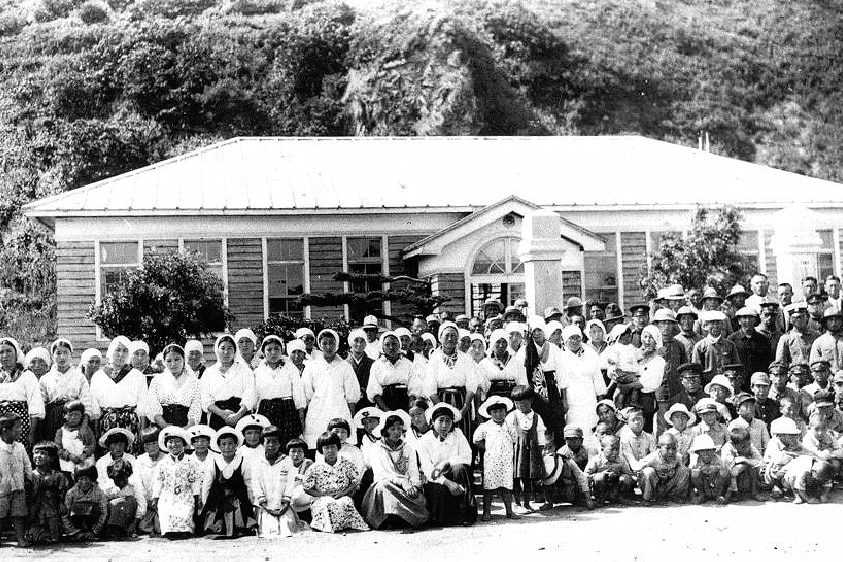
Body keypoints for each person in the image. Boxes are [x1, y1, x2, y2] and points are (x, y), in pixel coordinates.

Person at [362, 410, 428, 529]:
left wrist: (414, 485)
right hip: (387, 485)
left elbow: (413, 470)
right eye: (392, 429)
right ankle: (390, 518)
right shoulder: (376, 449)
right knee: (384, 486)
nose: (397, 432)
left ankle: (405, 518)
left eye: (399, 429)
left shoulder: (408, 448)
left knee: (418, 498)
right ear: (385, 430)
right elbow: (381, 474)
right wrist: (402, 482)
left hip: (407, 486)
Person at [415, 403, 477, 526]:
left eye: (448, 421)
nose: (444, 425)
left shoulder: (457, 434)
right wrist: (448, 483)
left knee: (460, 468)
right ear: (432, 422)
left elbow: (467, 457)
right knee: (439, 490)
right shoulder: (424, 441)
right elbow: (428, 470)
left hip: (455, 474)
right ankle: (443, 517)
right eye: (440, 421)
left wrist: (447, 462)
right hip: (435, 478)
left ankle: (464, 513)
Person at [302, 329, 361, 450]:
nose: (328, 347)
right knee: (318, 443)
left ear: (337, 344)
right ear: (319, 344)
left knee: (340, 444)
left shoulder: (345, 367)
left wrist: (352, 417)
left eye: (331, 343)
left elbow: (352, 395)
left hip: (338, 408)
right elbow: (307, 392)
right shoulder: (312, 366)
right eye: (324, 343)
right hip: (317, 410)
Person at [423, 322, 482, 441]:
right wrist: (442, 408)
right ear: (440, 338)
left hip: (462, 400)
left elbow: (471, 385)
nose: (450, 338)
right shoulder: (434, 358)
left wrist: (465, 408)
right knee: (443, 434)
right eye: (447, 335)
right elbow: (430, 387)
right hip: (441, 400)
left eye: (454, 335)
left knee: (463, 435)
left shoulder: (465, 358)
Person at [90, 336, 148, 454]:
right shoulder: (99, 376)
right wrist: (96, 433)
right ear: (111, 351)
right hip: (107, 425)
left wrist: (142, 433)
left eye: (125, 351)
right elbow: (94, 407)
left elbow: (143, 407)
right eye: (118, 350)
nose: (121, 354)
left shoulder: (137, 376)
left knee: (130, 460)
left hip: (130, 425)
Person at [302, 431, 369, 533]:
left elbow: (355, 482)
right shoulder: (315, 467)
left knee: (345, 502)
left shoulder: (346, 464)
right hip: (321, 498)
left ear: (338, 447)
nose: (330, 451)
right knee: (327, 503)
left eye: (333, 447)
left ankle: (345, 525)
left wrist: (343, 492)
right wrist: (323, 494)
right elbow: (307, 488)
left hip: (342, 495)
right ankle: (328, 526)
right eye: (326, 448)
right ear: (321, 450)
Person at [517, 317, 567, 447]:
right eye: (534, 331)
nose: (537, 333)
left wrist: (564, 399)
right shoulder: (525, 350)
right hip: (534, 391)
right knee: (539, 425)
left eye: (539, 330)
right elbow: (522, 376)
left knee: (556, 424)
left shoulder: (554, 349)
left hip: (552, 390)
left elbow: (562, 375)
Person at [199, 427, 256, 537]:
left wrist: (251, 504)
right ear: (219, 446)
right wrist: (207, 505)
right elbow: (207, 485)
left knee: (242, 524)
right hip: (218, 500)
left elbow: (249, 484)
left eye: (230, 444)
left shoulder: (242, 461)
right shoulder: (214, 462)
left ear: (236, 445)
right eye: (223, 444)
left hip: (238, 499)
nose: (227, 447)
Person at [253, 335, 306, 449]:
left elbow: (298, 394)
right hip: (265, 410)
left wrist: (300, 417)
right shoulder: (258, 371)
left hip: (287, 410)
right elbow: (255, 396)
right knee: (268, 444)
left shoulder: (290, 368)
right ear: (263, 352)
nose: (273, 353)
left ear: (281, 350)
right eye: (269, 349)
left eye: (276, 349)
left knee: (287, 443)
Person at [39, 338, 97, 443]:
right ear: (52, 356)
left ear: (71, 355)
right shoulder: (45, 378)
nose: (62, 357)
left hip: (75, 416)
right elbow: (41, 404)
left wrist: (84, 425)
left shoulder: (79, 377)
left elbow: (87, 403)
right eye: (58, 353)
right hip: (53, 418)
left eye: (66, 353)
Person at [558, 325, 606, 448]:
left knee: (591, 428)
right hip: (572, 400)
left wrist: (601, 401)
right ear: (565, 340)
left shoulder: (590, 354)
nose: (574, 341)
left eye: (577, 338)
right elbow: (562, 382)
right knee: (574, 429)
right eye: (571, 338)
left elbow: (597, 378)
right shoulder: (561, 357)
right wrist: (564, 402)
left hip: (589, 398)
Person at [251, 425, 303, 538]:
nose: (271, 445)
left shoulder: (287, 460)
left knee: (286, 528)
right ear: (262, 443)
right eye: (268, 441)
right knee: (268, 529)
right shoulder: (257, 461)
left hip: (282, 504)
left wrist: (285, 503)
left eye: (275, 442)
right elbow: (256, 485)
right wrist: (264, 504)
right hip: (264, 505)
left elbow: (290, 484)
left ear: (280, 444)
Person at [151, 426, 202, 539]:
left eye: (177, 441)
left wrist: (197, 497)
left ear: (183, 443)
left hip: (185, 496)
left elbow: (195, 481)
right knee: (167, 510)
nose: (173, 445)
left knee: (184, 512)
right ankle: (169, 532)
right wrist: (155, 497)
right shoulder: (162, 463)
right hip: (167, 496)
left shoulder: (190, 461)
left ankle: (185, 531)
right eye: (170, 442)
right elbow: (158, 481)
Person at [200, 334, 256, 431]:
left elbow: (250, 396)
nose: (226, 352)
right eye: (223, 348)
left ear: (235, 351)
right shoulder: (209, 372)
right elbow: (205, 399)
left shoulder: (245, 371)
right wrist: (222, 413)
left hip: (241, 415)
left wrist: (237, 416)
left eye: (230, 348)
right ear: (217, 350)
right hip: (217, 416)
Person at [473, 396, 516, 521]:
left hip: (507, 461)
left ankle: (509, 511)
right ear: (490, 413)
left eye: (501, 411)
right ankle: (487, 512)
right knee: (489, 488)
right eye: (495, 412)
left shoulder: (509, 425)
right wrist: (487, 448)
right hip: (491, 461)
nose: (498, 414)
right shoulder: (485, 426)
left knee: (507, 486)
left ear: (505, 411)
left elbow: (514, 440)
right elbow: (476, 439)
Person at [0, 337, 45, 446]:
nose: (5, 355)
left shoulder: (27, 375)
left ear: (17, 353)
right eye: (1, 352)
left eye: (9, 351)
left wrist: (32, 432)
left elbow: (35, 405)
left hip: (20, 424)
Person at [146, 344, 202, 429]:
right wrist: (166, 427)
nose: (173, 364)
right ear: (164, 362)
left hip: (185, 426)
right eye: (169, 361)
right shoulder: (157, 380)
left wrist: (186, 429)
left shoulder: (194, 382)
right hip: (160, 426)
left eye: (177, 359)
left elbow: (196, 409)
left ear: (184, 359)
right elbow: (153, 406)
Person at [367, 331, 423, 412]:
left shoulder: (408, 364)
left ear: (399, 345)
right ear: (382, 347)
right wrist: (386, 410)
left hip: (404, 404)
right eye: (387, 345)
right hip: (384, 405)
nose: (391, 347)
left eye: (394, 344)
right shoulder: (377, 365)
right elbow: (374, 391)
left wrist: (409, 408)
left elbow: (414, 388)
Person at [0, 413, 32, 546]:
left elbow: (27, 464)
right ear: (5, 430)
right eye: (17, 427)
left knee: (18, 514)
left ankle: (20, 539)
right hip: (2, 490)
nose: (20, 430)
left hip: (18, 487)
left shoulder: (20, 447)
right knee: (0, 514)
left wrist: (29, 478)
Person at [28, 441, 69, 544]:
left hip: (53, 515)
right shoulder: (29, 476)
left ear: (51, 458)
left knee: (54, 538)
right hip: (34, 515)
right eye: (36, 452)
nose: (38, 456)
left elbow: (62, 497)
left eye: (42, 453)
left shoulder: (59, 476)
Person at [637, 433, 690, 505]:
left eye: (674, 448)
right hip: (654, 487)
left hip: (667, 485)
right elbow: (638, 469)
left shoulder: (678, 457)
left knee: (684, 470)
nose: (671, 452)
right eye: (667, 448)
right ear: (659, 447)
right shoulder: (652, 458)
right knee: (647, 472)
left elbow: (680, 473)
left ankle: (674, 496)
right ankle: (647, 498)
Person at [763, 416, 807, 500]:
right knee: (775, 466)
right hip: (773, 470)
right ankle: (776, 486)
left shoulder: (795, 442)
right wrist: (792, 455)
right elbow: (778, 459)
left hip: (787, 467)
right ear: (780, 435)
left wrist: (797, 454)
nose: (794, 437)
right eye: (790, 435)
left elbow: (806, 451)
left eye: (794, 435)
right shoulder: (774, 442)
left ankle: (795, 487)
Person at [63, 464, 108, 542]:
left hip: (93, 525)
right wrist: (74, 532)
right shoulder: (71, 493)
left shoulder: (99, 492)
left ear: (92, 478)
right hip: (76, 526)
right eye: (81, 479)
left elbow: (104, 513)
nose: (84, 482)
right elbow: (65, 515)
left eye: (87, 478)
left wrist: (94, 532)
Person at [692, 311, 740, 385]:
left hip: (727, 383)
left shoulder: (730, 345)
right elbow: (696, 370)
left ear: (722, 325)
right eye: (712, 323)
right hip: (707, 384)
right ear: (706, 326)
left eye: (718, 323)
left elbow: (736, 367)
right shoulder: (700, 346)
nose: (715, 326)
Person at [585, 434, 635, 504]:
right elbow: (585, 477)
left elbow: (629, 474)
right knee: (599, 477)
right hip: (601, 489)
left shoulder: (621, 460)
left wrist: (618, 474)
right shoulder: (596, 460)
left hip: (615, 489)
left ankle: (621, 498)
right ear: (602, 449)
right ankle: (600, 499)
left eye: (617, 449)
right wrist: (601, 475)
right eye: (611, 450)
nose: (615, 453)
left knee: (626, 478)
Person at [720, 426, 763, 502]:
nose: (747, 448)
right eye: (743, 446)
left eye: (748, 444)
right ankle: (733, 493)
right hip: (732, 479)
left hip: (747, 478)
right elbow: (728, 465)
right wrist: (740, 463)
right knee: (733, 471)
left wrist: (746, 461)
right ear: (734, 444)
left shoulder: (749, 445)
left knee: (754, 467)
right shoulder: (727, 447)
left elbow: (760, 462)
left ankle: (754, 492)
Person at [480, 329, 526, 399]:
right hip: (491, 401)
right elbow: (482, 389)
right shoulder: (484, 363)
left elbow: (523, 384)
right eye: (498, 342)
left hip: (513, 399)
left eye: (504, 342)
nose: (501, 345)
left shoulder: (516, 362)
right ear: (492, 343)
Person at [133, 427, 163, 536]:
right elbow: (138, 484)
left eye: (154, 443)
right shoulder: (140, 460)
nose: (151, 447)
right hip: (146, 501)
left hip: (163, 499)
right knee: (143, 526)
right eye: (147, 444)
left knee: (161, 527)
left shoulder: (166, 458)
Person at [103, 459, 143, 537]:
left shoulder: (135, 485)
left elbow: (141, 506)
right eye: (118, 479)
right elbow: (102, 505)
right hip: (113, 517)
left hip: (130, 516)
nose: (121, 482)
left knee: (130, 500)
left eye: (124, 478)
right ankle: (113, 529)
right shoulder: (107, 487)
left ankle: (128, 529)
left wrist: (134, 524)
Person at [605, 324, 641, 410]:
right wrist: (612, 361)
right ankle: (621, 403)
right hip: (622, 371)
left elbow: (638, 355)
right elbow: (613, 359)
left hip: (631, 372)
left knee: (631, 387)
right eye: (626, 336)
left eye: (630, 336)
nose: (629, 337)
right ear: (619, 337)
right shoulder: (616, 347)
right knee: (626, 388)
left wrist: (643, 352)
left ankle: (631, 402)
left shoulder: (631, 347)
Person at [55, 400, 96, 474]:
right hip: (68, 466)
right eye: (70, 415)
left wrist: (85, 454)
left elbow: (92, 444)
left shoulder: (85, 430)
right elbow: (58, 448)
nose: (73, 417)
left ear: (81, 416)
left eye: (77, 415)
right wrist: (69, 456)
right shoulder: (60, 431)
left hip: (85, 462)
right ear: (65, 415)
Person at [729, 307, 773, 376]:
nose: (748, 321)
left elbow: (767, 361)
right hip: (739, 379)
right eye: (744, 318)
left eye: (751, 318)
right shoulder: (731, 340)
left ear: (755, 320)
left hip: (758, 379)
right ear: (739, 321)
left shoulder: (763, 340)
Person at [689, 434, 730, 504]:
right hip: (704, 484)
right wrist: (701, 470)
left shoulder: (717, 459)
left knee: (724, 472)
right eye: (702, 451)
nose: (706, 453)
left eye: (708, 450)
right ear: (698, 452)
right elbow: (691, 473)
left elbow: (725, 472)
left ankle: (719, 495)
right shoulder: (695, 460)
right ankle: (702, 495)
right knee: (694, 473)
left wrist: (716, 468)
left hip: (715, 484)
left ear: (713, 450)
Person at [776, 302, 818, 368]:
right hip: (795, 375)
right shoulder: (786, 338)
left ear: (807, 317)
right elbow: (780, 363)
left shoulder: (816, 335)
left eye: (802, 317)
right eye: (795, 318)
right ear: (790, 320)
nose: (799, 320)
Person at [284, 438, 314, 516]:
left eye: (300, 451)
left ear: (304, 453)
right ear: (288, 453)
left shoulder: (308, 463)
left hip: (304, 498)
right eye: (293, 451)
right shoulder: (284, 464)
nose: (296, 455)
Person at [347, 329, 376, 411]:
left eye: (362, 341)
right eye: (356, 341)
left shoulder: (373, 364)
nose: (359, 344)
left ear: (366, 344)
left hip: (368, 403)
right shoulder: (344, 364)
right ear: (351, 343)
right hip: (350, 403)